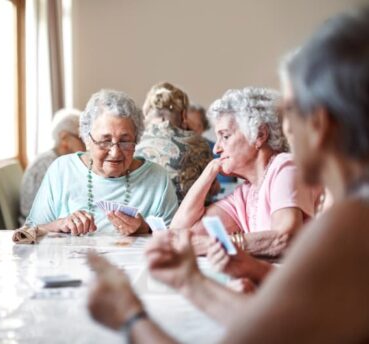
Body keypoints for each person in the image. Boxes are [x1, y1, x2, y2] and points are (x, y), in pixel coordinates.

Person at [87, 7, 369, 343]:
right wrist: (192, 281)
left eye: (289, 110)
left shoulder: (350, 223)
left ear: (320, 123)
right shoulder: (349, 209)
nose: (286, 127)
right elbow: (279, 325)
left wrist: (129, 316)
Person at [171, 87, 317, 258]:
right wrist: (210, 171)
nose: (216, 149)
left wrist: (215, 245)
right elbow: (181, 232)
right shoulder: (246, 193)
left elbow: (284, 238)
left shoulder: (285, 167)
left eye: (225, 136)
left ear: (260, 135)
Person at [26, 89, 177, 235]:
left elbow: (177, 239)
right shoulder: (62, 170)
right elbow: (30, 231)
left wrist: (146, 229)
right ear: (87, 139)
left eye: (125, 141)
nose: (115, 152)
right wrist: (59, 224)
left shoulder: (157, 178)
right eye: (105, 141)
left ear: (136, 140)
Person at [135, 82, 213, 203]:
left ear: (147, 111)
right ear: (183, 114)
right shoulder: (199, 143)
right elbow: (211, 188)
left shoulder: (134, 141)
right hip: (190, 219)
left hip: (142, 218)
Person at [19, 108, 85, 224]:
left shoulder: (61, 161)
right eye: (82, 139)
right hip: (38, 230)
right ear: (64, 138)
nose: (86, 146)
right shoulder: (45, 164)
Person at [186, 103, 237, 186]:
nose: (188, 130)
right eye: (186, 126)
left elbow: (226, 185)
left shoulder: (217, 150)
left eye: (193, 126)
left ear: (202, 127)